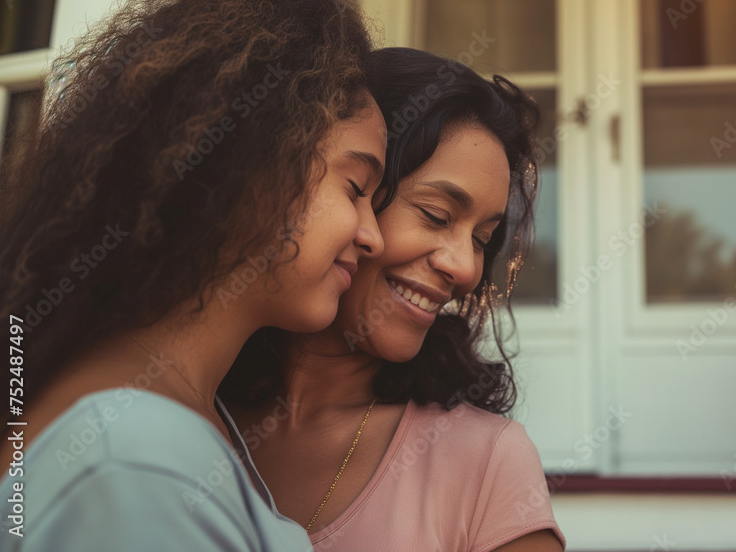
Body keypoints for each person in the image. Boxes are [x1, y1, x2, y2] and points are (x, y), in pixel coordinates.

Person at [0, 0, 387, 550]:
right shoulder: (132, 459)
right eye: (356, 188)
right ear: (253, 164)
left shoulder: (176, 415)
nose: (374, 236)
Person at [220, 48, 565, 552]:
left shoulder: (486, 462)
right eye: (436, 214)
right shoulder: (189, 413)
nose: (465, 269)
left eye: (482, 239)